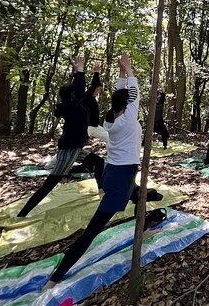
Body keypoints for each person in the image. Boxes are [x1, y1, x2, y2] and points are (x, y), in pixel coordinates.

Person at [44, 52, 154, 290]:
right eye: (130, 102)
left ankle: (143, 228)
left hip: (115, 172)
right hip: (121, 176)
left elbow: (124, 96)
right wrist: (130, 69)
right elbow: (134, 96)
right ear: (127, 106)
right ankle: (57, 276)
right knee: (93, 229)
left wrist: (122, 75)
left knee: (138, 195)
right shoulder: (127, 120)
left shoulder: (111, 120)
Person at [18, 58, 105, 217]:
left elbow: (89, 88)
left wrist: (96, 72)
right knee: (50, 183)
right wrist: (79, 71)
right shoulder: (71, 107)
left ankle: (101, 189)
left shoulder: (76, 104)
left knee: (99, 162)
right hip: (69, 149)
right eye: (75, 92)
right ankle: (23, 213)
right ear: (72, 95)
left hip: (75, 148)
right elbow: (80, 88)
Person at [82, 61, 108, 142]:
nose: (100, 90)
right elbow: (94, 83)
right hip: (87, 127)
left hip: (95, 126)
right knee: (75, 145)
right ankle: (58, 155)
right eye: (99, 88)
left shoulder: (92, 98)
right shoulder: (87, 96)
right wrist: (96, 72)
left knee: (109, 138)